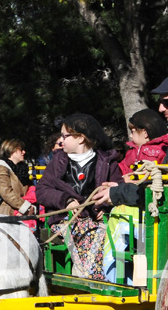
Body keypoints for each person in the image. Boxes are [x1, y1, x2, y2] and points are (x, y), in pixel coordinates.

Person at [36, 113, 123, 280]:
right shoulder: (58, 161)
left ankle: (102, 279)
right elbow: (42, 190)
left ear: (81, 138)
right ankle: (91, 280)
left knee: (111, 234)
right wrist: (66, 201)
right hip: (65, 220)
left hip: (100, 220)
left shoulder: (106, 162)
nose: (61, 141)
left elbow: (116, 188)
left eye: (65, 136)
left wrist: (104, 207)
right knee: (89, 231)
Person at [0, 139, 36, 217]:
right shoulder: (1, 168)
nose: (24, 152)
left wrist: (30, 207)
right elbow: (6, 192)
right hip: (5, 215)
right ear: (11, 150)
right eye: (21, 150)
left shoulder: (22, 170)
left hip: (21, 214)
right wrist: (25, 207)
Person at [119, 109, 168, 174]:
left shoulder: (161, 149)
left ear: (145, 133)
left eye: (133, 132)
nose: (130, 136)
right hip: (131, 181)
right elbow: (123, 167)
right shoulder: (133, 151)